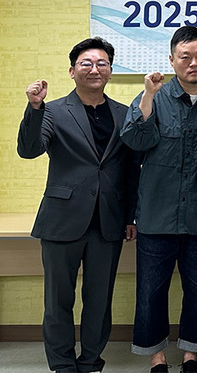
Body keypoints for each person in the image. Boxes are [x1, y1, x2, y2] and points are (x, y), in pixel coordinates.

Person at [17, 37, 140, 373]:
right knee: (58, 300)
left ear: (111, 71)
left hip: (108, 220)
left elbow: (131, 170)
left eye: (102, 63)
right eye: (86, 63)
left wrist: (130, 215)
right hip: (62, 218)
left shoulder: (124, 113)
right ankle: (61, 364)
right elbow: (29, 150)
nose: (94, 68)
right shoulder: (53, 109)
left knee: (99, 300)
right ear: (72, 71)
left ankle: (90, 361)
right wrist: (34, 108)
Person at [121, 26, 197, 373]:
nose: (193, 63)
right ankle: (157, 358)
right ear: (172, 60)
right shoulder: (153, 96)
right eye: (185, 57)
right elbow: (134, 142)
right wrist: (147, 97)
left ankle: (190, 356)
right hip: (156, 214)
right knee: (151, 291)